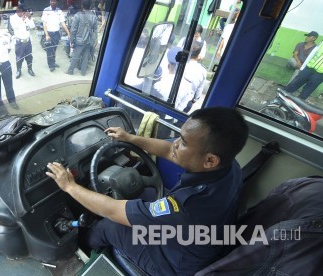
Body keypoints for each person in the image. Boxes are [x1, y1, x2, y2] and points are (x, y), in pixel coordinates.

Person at [46, 107, 249, 275]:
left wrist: (70, 186)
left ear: (210, 160)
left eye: (184, 143)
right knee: (149, 194)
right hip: (203, 241)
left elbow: (112, 211)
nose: (175, 144)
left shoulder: (187, 205)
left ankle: (81, 250)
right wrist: (130, 138)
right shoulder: (231, 168)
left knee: (110, 226)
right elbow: (170, 151)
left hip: (174, 264)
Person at [66, 0, 98, 76]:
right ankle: (83, 72)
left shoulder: (77, 15)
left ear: (82, 5)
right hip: (89, 41)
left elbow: (73, 30)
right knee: (86, 57)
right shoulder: (94, 16)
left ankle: (70, 71)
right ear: (90, 6)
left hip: (79, 41)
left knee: (75, 56)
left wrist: (71, 40)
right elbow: (95, 30)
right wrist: (94, 41)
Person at [176, 41, 207, 113]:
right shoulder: (202, 70)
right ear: (198, 55)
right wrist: (194, 100)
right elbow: (199, 90)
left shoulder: (179, 63)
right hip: (188, 102)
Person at [42, 0, 71, 72]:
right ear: (50, 2)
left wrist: (68, 33)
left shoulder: (59, 11)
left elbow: (63, 23)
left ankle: (53, 62)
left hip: (56, 34)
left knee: (54, 49)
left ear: (56, 2)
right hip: (49, 33)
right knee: (49, 50)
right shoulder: (46, 10)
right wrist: (46, 35)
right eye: (52, 1)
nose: (53, 2)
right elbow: (44, 24)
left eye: (54, 1)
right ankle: (51, 65)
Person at [9, 4, 36, 79]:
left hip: (27, 41)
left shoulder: (26, 16)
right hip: (19, 42)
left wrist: (29, 17)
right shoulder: (12, 18)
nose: (21, 13)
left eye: (22, 11)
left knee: (29, 56)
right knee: (19, 57)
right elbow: (15, 27)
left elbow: (32, 26)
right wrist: (23, 19)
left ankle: (30, 69)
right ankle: (18, 70)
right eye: (19, 11)